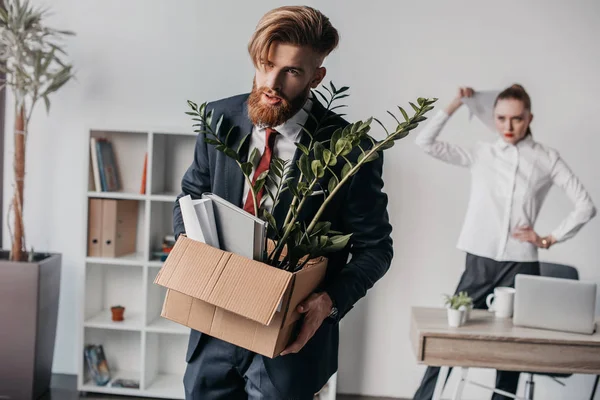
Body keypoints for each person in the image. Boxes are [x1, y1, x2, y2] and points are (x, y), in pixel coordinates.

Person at [173, 6, 394, 399]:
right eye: (264, 64)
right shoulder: (217, 118)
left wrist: (330, 302)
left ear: (316, 76)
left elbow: (376, 249)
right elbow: (190, 196)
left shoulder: (351, 150)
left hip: (291, 344)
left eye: (291, 71)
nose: (270, 83)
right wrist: (191, 255)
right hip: (213, 331)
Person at [412, 84, 597, 400]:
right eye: (501, 118)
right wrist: (457, 103)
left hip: (521, 263)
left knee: (510, 350)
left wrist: (548, 239)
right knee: (448, 337)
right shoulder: (481, 153)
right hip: (479, 261)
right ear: (493, 118)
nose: (508, 127)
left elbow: (586, 205)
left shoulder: (546, 158)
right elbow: (424, 142)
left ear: (529, 118)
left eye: (516, 119)